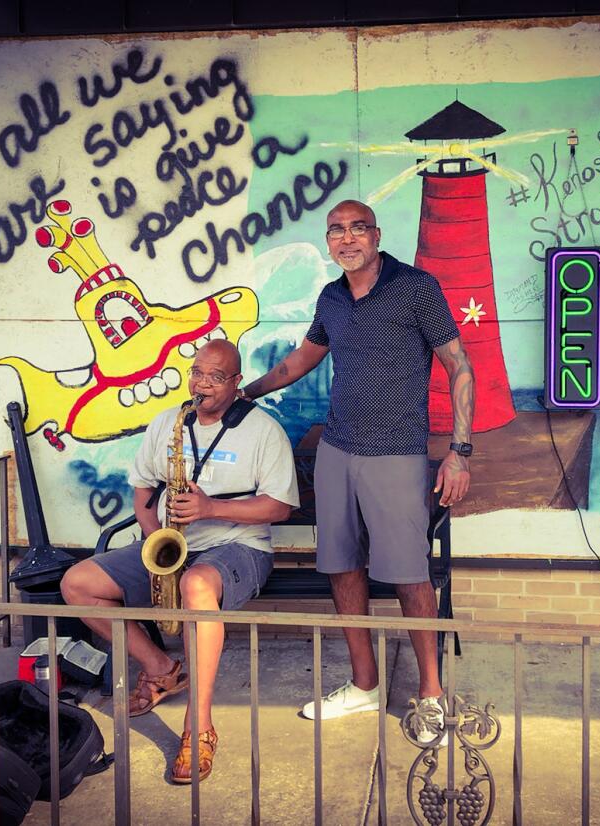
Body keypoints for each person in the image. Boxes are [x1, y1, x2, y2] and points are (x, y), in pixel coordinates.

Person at [242, 199, 474, 747]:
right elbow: (300, 360)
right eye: (337, 231)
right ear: (329, 241)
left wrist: (460, 451)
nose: (347, 239)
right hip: (337, 450)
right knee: (342, 567)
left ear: (376, 234)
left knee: (409, 575)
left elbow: (459, 365)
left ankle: (433, 696)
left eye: (357, 229)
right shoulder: (331, 298)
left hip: (396, 453)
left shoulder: (416, 287)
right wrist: (243, 394)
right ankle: (365, 683)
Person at [61, 339, 299, 783]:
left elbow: (279, 507)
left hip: (240, 545)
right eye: (197, 373)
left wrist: (212, 509)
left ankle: (199, 727)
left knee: (197, 586)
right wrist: (159, 543)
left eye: (215, 377)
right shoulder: (169, 423)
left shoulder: (262, 430)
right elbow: (144, 492)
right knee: (78, 583)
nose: (202, 384)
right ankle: (160, 669)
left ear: (236, 383)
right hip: (177, 545)